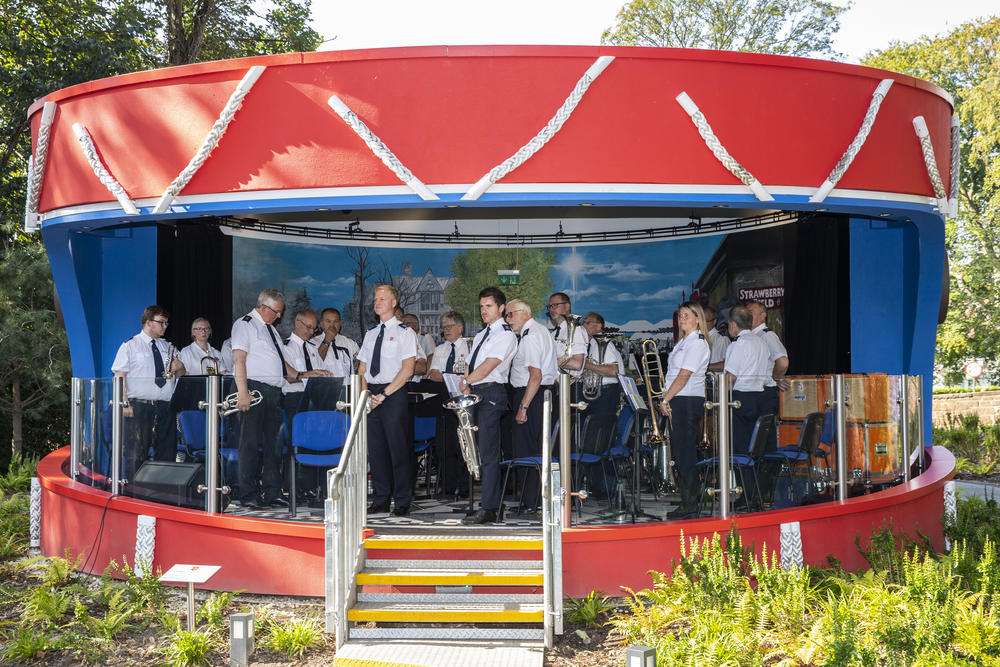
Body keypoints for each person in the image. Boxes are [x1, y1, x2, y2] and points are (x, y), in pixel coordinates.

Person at [231, 289, 304, 509]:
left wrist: (303, 375)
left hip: (274, 393)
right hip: (253, 390)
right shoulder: (245, 325)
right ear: (265, 308)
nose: (280, 316)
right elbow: (239, 360)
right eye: (278, 312)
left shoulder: (270, 330)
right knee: (250, 444)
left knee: (274, 445)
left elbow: (282, 365)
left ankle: (272, 492)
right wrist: (242, 393)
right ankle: (248, 493)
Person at [357, 284, 418, 516]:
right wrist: (367, 394)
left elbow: (408, 369)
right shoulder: (371, 334)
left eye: (382, 299)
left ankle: (402, 500)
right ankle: (381, 499)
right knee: (377, 449)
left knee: (398, 448)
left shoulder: (405, 332)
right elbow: (362, 368)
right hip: (371, 394)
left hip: (394, 393)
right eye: (375, 298)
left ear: (394, 303)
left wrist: (384, 395)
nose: (377, 302)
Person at [460, 287, 517, 524]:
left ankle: (490, 507)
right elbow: (470, 363)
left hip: (491, 392)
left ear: (501, 308)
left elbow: (489, 365)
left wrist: (466, 381)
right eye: (482, 306)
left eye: (489, 306)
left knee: (489, 453)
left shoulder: (505, 334)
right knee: (474, 452)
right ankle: (484, 502)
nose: (484, 310)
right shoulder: (482, 334)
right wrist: (466, 385)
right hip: (476, 392)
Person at [112, 305, 187, 482]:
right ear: (148, 323)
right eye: (161, 322)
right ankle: (133, 493)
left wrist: (180, 367)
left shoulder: (168, 347)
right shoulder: (130, 345)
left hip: (165, 407)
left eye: (166, 323)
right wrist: (124, 404)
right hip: (139, 405)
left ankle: (162, 493)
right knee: (136, 452)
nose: (165, 326)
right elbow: (119, 376)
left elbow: (182, 375)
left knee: (167, 451)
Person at [657, 300, 711, 519]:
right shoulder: (684, 341)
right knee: (680, 453)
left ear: (698, 319)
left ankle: (690, 504)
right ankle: (688, 500)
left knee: (685, 453)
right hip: (680, 398)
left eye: (687, 315)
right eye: (680, 316)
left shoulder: (697, 343)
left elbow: (684, 374)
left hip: (686, 400)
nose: (682, 319)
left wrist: (666, 398)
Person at [505, 299, 557, 513]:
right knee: (537, 450)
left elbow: (535, 375)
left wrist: (523, 406)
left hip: (531, 395)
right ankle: (535, 499)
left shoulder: (531, 336)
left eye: (511, 314)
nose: (508, 320)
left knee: (526, 452)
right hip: (541, 395)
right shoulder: (542, 331)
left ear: (525, 313)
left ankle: (530, 502)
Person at [428, 311, 472, 496]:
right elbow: (434, 374)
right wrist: (450, 377)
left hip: (465, 399)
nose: (445, 330)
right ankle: (447, 486)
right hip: (445, 399)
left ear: (460, 328)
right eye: (443, 327)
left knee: (464, 445)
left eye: (449, 326)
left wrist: (455, 377)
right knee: (445, 445)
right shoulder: (440, 349)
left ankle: (464, 487)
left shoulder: (470, 346)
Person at [724, 306, 769, 457]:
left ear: (733, 325)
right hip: (759, 398)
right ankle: (752, 480)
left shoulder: (738, 344)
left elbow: (730, 378)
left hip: (740, 399)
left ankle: (741, 480)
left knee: (738, 447)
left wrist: (721, 400)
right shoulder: (761, 342)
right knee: (754, 446)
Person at [747, 300, 790, 451]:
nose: (747, 316)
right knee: (755, 438)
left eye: (751, 312)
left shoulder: (767, 336)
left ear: (763, 316)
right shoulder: (750, 336)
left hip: (765, 392)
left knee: (765, 439)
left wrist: (776, 377)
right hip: (755, 393)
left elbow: (782, 361)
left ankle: (769, 472)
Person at [580, 312, 624, 417]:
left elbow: (613, 371)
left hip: (605, 393)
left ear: (599, 326)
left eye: (587, 322)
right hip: (595, 392)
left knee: (600, 429)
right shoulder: (590, 345)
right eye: (583, 323)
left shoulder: (605, 345)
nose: (583, 326)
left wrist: (585, 364)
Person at [546, 291, 587, 379]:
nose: (551, 309)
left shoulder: (576, 330)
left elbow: (577, 364)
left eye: (555, 305)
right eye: (549, 306)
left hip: (570, 385)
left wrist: (546, 363)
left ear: (567, 306)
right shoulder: (553, 334)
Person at [313, 308, 359, 378]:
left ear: (340, 324)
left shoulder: (350, 343)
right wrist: (327, 340)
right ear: (321, 324)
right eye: (328, 321)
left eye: (336, 321)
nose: (332, 325)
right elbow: (314, 363)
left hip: (347, 386)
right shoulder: (312, 343)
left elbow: (360, 367)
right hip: (326, 387)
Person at [401, 313, 430, 380]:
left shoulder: (424, 337)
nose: (404, 326)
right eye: (403, 324)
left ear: (416, 325)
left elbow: (431, 356)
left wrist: (425, 377)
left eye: (407, 323)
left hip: (417, 379)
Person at [703, 305, 730, 373]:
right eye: (700, 320)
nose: (702, 324)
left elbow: (727, 365)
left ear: (714, 321)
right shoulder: (697, 338)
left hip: (715, 381)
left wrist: (704, 367)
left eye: (706, 321)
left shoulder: (722, 339)